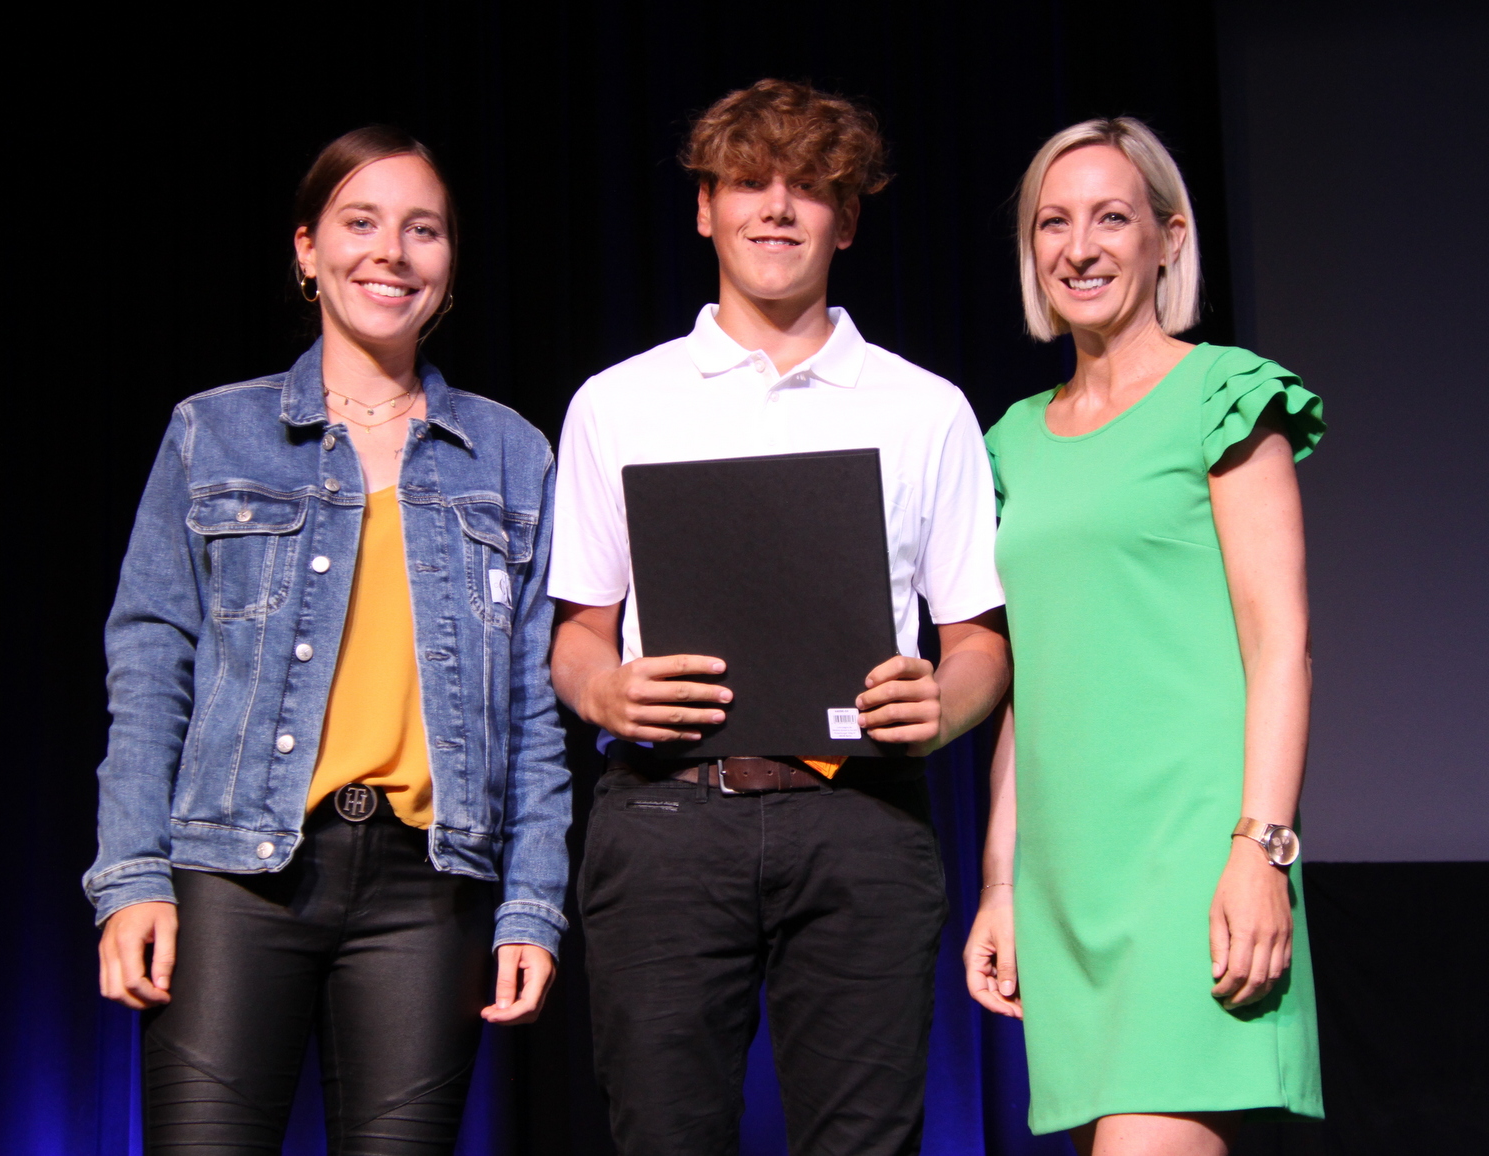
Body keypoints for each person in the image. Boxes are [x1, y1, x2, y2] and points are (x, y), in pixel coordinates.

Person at [83, 126, 570, 1152]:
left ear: (449, 264)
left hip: (429, 889)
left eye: (422, 229)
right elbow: (152, 662)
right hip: (235, 875)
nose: (390, 251)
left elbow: (533, 711)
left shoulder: (510, 453)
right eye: (360, 222)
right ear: (307, 250)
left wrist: (531, 904)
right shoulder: (215, 430)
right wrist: (131, 877)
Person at [549, 79, 1010, 1156]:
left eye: (808, 186)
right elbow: (578, 633)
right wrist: (605, 689)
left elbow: (978, 642)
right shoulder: (617, 401)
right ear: (704, 207)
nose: (776, 206)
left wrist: (942, 706)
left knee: (865, 1141)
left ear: (845, 221)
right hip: (665, 814)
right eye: (748, 181)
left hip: (860, 815)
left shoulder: (925, 407)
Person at [963, 117, 1324, 1155]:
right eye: (1054, 222)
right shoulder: (1012, 440)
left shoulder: (1221, 394)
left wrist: (1261, 849)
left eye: (1111, 218)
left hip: (1193, 854)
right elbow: (1032, 682)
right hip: (1070, 874)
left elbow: (1281, 644)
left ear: (1169, 238)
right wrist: (1000, 885)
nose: (1079, 248)